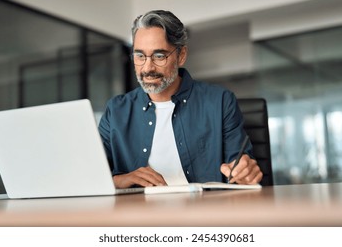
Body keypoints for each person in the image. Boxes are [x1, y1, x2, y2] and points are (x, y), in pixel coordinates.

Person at [98, 10, 263, 189]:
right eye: (140, 56)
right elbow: (93, 175)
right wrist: (123, 179)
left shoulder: (220, 102)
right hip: (139, 214)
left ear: (181, 56)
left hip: (205, 211)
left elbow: (240, 167)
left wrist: (245, 172)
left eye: (159, 56)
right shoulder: (115, 110)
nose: (147, 67)